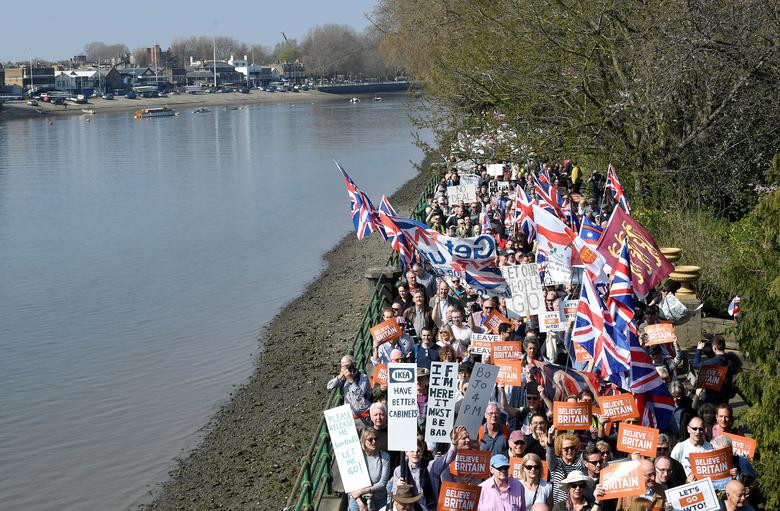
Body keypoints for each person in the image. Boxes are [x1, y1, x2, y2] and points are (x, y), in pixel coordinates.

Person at [349, 428, 391, 511]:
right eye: (370, 439)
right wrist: (360, 503)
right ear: (363, 441)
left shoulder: (385, 457)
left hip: (378, 498)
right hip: (358, 499)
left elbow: (382, 483)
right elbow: (351, 482)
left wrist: (361, 491)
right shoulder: (356, 456)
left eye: (376, 439)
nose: (374, 442)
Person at [693, 335, 740, 405]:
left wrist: (699, 349)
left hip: (711, 400)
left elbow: (696, 364)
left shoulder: (710, 363)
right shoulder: (732, 360)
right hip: (724, 399)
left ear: (714, 348)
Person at [545, 429, 585, 506]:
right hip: (561, 506)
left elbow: (590, 453)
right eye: (566, 449)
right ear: (560, 449)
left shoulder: (580, 462)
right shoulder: (556, 464)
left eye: (572, 448)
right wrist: (550, 440)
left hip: (578, 505)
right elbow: (550, 454)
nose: (569, 450)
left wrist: (593, 437)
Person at [392, 439, 434, 511]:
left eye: (418, 451)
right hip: (408, 506)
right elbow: (395, 495)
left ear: (422, 451)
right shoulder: (399, 470)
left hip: (426, 504)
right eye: (412, 451)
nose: (415, 453)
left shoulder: (429, 466)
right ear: (406, 452)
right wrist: (398, 487)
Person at [327, 355, 373, 420]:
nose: (347, 368)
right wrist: (340, 375)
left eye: (348, 365)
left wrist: (351, 380)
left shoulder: (363, 377)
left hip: (364, 416)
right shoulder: (344, 378)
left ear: (354, 364)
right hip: (350, 417)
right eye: (343, 366)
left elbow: (359, 397)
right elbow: (329, 386)